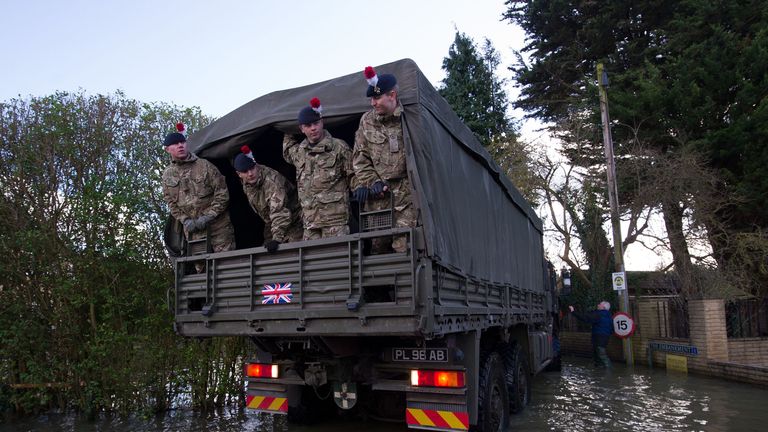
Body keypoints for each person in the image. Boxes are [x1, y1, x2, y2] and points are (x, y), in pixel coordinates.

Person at [351, 66, 415, 253]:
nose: (373, 103)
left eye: (377, 98)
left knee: (404, 249)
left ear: (392, 95)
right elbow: (360, 158)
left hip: (406, 198)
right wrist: (373, 182)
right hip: (379, 199)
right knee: (378, 251)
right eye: (371, 98)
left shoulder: (410, 117)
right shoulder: (367, 121)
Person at [283, 97, 353, 240]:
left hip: (335, 222)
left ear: (322, 122)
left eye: (316, 123)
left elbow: (354, 174)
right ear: (302, 129)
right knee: (312, 262)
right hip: (310, 225)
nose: (313, 128)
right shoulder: (299, 152)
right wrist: (285, 126)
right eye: (308, 125)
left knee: (338, 261)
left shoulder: (338, 147)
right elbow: (287, 148)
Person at [161, 122, 235, 257]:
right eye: (176, 144)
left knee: (226, 264)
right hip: (193, 231)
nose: (180, 146)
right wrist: (185, 220)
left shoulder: (205, 166)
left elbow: (222, 193)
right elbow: (171, 202)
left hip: (218, 226)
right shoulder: (168, 175)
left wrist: (209, 216)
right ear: (167, 149)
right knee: (201, 270)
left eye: (182, 142)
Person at [234, 147, 303, 252]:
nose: (250, 174)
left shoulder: (271, 182)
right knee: (264, 253)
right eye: (245, 171)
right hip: (272, 223)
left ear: (256, 165)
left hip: (294, 221)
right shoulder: (247, 183)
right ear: (239, 174)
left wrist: (276, 239)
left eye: (252, 168)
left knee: (291, 253)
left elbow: (279, 212)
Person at [568, 301, 613, 368]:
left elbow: (585, 318)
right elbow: (612, 328)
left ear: (603, 307)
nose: (598, 305)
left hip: (599, 337)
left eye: (599, 304)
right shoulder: (609, 315)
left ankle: (609, 371)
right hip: (605, 337)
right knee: (597, 355)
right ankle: (601, 371)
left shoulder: (599, 314)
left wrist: (573, 312)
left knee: (601, 354)